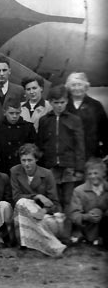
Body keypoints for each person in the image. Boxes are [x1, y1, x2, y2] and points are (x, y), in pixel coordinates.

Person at [10, 143, 67, 257]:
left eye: (30, 160)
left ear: (36, 159)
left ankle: (29, 243)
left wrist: (43, 211)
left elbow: (54, 203)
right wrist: (37, 196)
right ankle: (53, 246)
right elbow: (16, 197)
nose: (26, 164)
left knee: (48, 221)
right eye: (23, 160)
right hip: (22, 215)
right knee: (22, 202)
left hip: (43, 215)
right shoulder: (15, 171)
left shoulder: (47, 174)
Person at [37, 84, 85, 212]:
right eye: (56, 102)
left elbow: (80, 145)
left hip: (69, 165)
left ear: (67, 101)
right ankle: (57, 228)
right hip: (51, 165)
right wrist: (42, 167)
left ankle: (68, 230)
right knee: (54, 199)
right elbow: (41, 144)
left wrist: (79, 168)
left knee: (68, 199)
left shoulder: (75, 120)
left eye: (62, 102)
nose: (59, 105)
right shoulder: (44, 121)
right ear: (51, 102)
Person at [65, 72, 108, 160]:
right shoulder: (63, 105)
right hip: (67, 155)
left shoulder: (96, 105)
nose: (77, 88)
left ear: (85, 86)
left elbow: (105, 130)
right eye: (73, 85)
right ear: (69, 87)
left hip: (90, 153)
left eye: (79, 84)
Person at [67, 158, 108, 247]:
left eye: (96, 173)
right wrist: (87, 217)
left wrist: (102, 213)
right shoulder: (79, 191)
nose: (93, 176)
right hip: (87, 230)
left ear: (103, 173)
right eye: (90, 174)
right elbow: (74, 215)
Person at [0, 101, 35, 174]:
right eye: (11, 113)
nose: (14, 116)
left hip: (23, 166)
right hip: (4, 166)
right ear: (5, 112)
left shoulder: (28, 128)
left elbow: (33, 148)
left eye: (17, 113)